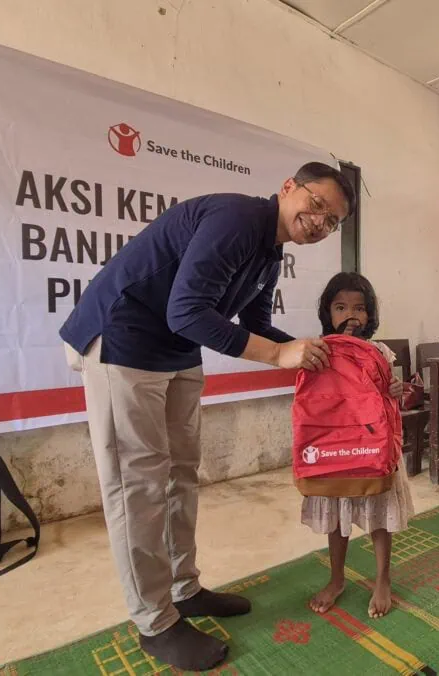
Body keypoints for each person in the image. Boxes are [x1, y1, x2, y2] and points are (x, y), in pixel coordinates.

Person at [60, 163, 354, 671]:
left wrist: (310, 348)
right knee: (139, 486)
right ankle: (154, 622)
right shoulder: (238, 218)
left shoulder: (269, 251)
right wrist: (276, 356)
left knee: (179, 475)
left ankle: (183, 588)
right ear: (288, 187)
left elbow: (256, 323)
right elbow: (187, 311)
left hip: (174, 352)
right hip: (123, 339)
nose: (321, 222)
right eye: (318, 205)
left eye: (333, 222)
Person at [302, 272, 414, 619]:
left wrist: (395, 392)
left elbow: (388, 394)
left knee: (378, 514)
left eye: (359, 308)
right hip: (335, 448)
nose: (351, 316)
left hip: (373, 448)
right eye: (340, 307)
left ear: (370, 315)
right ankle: (336, 579)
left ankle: (383, 578)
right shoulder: (319, 351)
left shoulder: (379, 352)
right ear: (327, 312)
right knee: (337, 516)